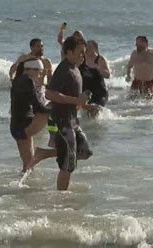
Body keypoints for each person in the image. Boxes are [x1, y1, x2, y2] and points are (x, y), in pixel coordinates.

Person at [45, 36, 94, 190]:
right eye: (79, 53)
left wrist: (83, 103)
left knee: (85, 151)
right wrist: (76, 101)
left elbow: (75, 99)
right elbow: (50, 94)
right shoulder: (64, 69)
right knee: (68, 163)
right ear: (68, 52)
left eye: (84, 53)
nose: (82, 56)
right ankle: (61, 199)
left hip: (73, 121)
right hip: (62, 122)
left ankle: (46, 154)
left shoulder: (75, 69)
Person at [10, 59, 50, 172]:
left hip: (17, 126)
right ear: (29, 70)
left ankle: (25, 186)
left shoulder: (17, 80)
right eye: (39, 71)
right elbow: (37, 107)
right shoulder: (28, 80)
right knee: (29, 166)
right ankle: (21, 187)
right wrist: (52, 110)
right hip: (23, 127)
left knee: (28, 165)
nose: (40, 74)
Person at [79, 40, 111, 113]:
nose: (88, 48)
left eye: (90, 47)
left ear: (95, 48)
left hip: (100, 92)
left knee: (96, 111)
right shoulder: (81, 58)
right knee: (86, 114)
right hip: (86, 92)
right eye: (87, 46)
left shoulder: (100, 59)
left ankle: (98, 124)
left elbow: (107, 75)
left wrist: (97, 67)